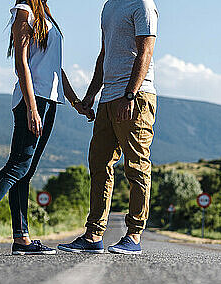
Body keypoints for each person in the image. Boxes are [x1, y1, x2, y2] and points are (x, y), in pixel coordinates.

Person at [0, 0, 93, 257]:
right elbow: (21, 63)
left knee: (26, 171)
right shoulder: (24, 11)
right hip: (32, 100)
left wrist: (76, 102)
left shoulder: (45, 14)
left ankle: (22, 239)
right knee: (17, 166)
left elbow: (54, 67)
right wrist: (32, 108)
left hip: (48, 100)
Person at [58, 0, 159, 255]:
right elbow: (104, 55)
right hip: (108, 97)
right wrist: (91, 94)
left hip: (135, 96)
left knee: (136, 165)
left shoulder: (143, 5)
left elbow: (145, 51)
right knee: (99, 163)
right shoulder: (109, 6)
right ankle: (93, 235)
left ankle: (134, 235)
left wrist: (130, 95)